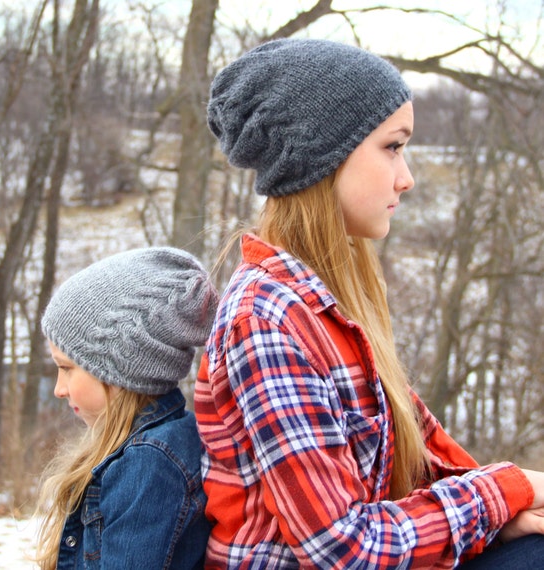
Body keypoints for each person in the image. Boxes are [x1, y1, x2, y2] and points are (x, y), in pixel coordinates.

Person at [194, 38, 544, 569]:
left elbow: (422, 454)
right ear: (321, 156)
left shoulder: (330, 304)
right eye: (392, 146)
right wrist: (504, 491)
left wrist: (500, 517)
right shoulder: (265, 320)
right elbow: (342, 547)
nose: (407, 178)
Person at [34, 247, 218, 570]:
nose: (59, 390)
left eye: (66, 368)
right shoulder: (141, 453)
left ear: (118, 370)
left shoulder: (150, 465)